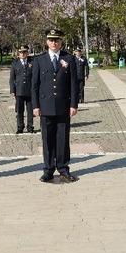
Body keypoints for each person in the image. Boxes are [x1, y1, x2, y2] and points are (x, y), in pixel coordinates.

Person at [31, 29, 79, 183]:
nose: (54, 43)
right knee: (47, 140)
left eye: (57, 40)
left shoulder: (69, 58)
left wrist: (73, 104)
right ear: (47, 42)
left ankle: (63, 169)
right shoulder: (39, 60)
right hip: (45, 107)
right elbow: (35, 86)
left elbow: (74, 84)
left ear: (61, 42)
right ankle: (48, 170)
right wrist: (35, 106)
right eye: (51, 40)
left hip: (63, 106)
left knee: (63, 140)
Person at [9, 45, 35, 134]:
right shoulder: (15, 63)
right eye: (21, 52)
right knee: (20, 110)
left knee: (30, 110)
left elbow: (35, 76)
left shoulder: (32, 62)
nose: (23, 54)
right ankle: (20, 127)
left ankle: (30, 126)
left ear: (27, 53)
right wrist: (12, 90)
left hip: (30, 90)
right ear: (18, 54)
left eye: (24, 52)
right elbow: (12, 78)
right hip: (19, 90)